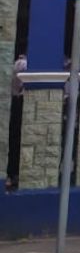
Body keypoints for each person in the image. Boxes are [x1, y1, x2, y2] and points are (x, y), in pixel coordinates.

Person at [6, 53, 27, 189]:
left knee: (14, 139)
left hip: (16, 102)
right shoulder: (22, 64)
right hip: (18, 102)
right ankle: (13, 174)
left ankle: (13, 173)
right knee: (15, 139)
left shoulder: (19, 63)